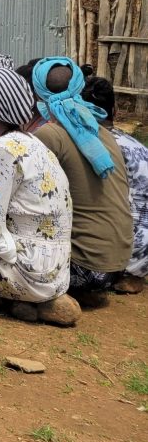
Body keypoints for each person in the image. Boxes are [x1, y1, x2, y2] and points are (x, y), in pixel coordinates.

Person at [0, 55, 78, 326]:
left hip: (28, 274)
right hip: (56, 274)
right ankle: (25, 303)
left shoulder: (0, 150)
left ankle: (17, 296)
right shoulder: (33, 143)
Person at [32, 58, 132, 305]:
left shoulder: (50, 134)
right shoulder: (101, 132)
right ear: (78, 85)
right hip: (117, 265)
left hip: (83, 267)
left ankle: (44, 301)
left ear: (37, 92)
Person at [80, 75, 146, 295]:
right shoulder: (138, 147)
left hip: (117, 255)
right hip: (143, 256)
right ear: (115, 111)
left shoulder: (93, 149)